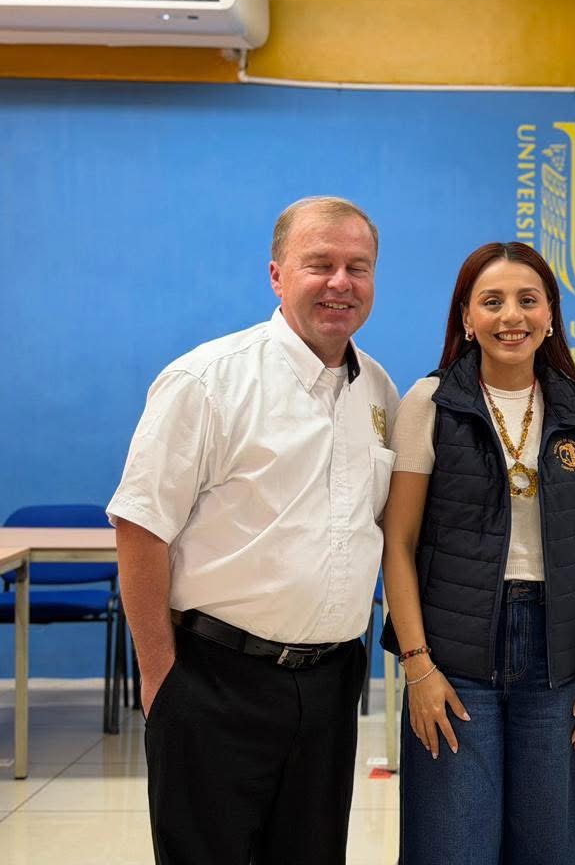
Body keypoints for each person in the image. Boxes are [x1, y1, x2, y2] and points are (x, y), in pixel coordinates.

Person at [108, 196, 399, 865]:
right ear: (276, 275)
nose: (340, 283)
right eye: (319, 264)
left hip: (330, 685)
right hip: (213, 680)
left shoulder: (378, 391)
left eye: (358, 267)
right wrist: (162, 682)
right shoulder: (206, 381)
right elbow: (141, 528)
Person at [380, 242, 575, 865]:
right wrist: (418, 666)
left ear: (550, 315)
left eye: (527, 300)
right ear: (466, 317)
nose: (512, 316)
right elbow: (398, 543)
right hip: (452, 656)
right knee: (453, 846)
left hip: (556, 658)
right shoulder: (430, 403)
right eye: (492, 301)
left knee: (552, 847)